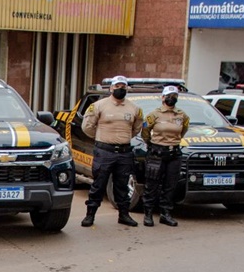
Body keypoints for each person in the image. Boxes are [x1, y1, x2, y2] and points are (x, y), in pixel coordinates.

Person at [80, 76, 143, 227]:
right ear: (111, 88)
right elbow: (87, 127)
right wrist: (102, 137)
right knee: (99, 184)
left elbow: (136, 128)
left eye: (123, 86)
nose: (120, 88)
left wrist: (122, 138)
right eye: (117, 86)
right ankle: (90, 215)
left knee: (122, 185)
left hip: (124, 152)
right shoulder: (98, 106)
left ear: (127, 88)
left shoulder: (135, 109)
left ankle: (124, 215)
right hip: (104, 151)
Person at [140, 86, 189, 227]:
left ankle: (165, 214)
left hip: (174, 153)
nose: (171, 98)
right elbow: (145, 130)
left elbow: (183, 130)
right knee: (152, 185)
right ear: (163, 97)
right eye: (168, 95)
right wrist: (151, 143)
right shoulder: (154, 115)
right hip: (157, 152)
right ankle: (148, 214)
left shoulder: (182, 115)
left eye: (174, 95)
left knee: (170, 185)